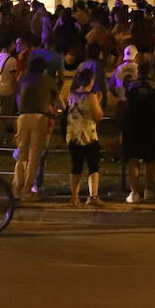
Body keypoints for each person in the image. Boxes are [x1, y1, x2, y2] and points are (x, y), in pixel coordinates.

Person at [12, 55, 62, 202]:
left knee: (22, 154)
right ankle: (27, 190)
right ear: (44, 69)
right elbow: (60, 102)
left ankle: (16, 189)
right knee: (34, 156)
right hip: (40, 118)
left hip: (22, 117)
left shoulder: (24, 79)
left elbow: (17, 97)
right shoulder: (47, 80)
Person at [121, 61, 155, 203]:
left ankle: (134, 193)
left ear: (138, 71)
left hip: (133, 124)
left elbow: (126, 101)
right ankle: (149, 190)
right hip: (151, 124)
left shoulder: (131, 85)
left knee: (133, 159)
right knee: (150, 159)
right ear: (150, 71)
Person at [65, 65, 104, 207]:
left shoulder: (71, 95)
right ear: (91, 81)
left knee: (76, 166)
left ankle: (74, 197)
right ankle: (93, 196)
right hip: (88, 136)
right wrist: (98, 101)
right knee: (93, 166)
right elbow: (98, 115)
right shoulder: (91, 96)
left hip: (73, 134)